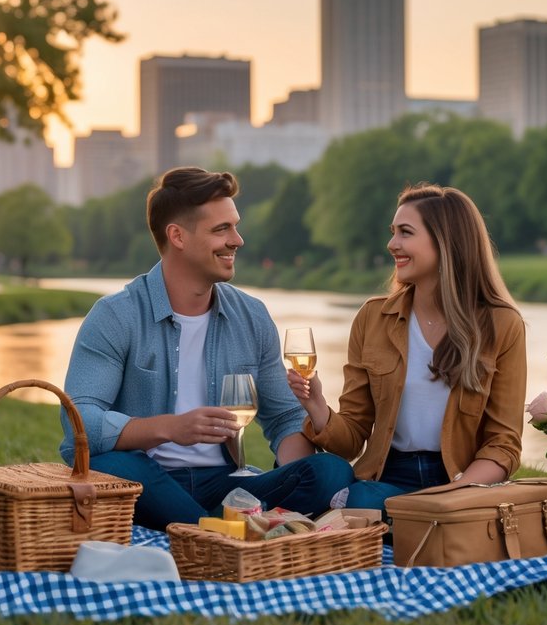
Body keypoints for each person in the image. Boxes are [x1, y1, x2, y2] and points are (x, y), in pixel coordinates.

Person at [60, 167, 354, 531]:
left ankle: (213, 527)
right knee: (116, 467)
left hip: (225, 482)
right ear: (177, 236)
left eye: (235, 226)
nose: (238, 240)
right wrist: (171, 428)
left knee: (331, 471)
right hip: (148, 478)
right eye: (222, 229)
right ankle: (222, 532)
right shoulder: (115, 315)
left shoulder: (251, 315)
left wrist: (298, 473)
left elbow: (285, 419)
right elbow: (78, 421)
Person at [288, 183, 527, 513]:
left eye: (405, 233)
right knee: (359, 499)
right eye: (393, 232)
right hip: (390, 477)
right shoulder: (373, 318)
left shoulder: (503, 324)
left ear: (445, 242)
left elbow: (503, 443)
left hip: (465, 480)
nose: (392, 244)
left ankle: (415, 524)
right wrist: (316, 407)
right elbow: (353, 437)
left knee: (379, 512)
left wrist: (453, 494)